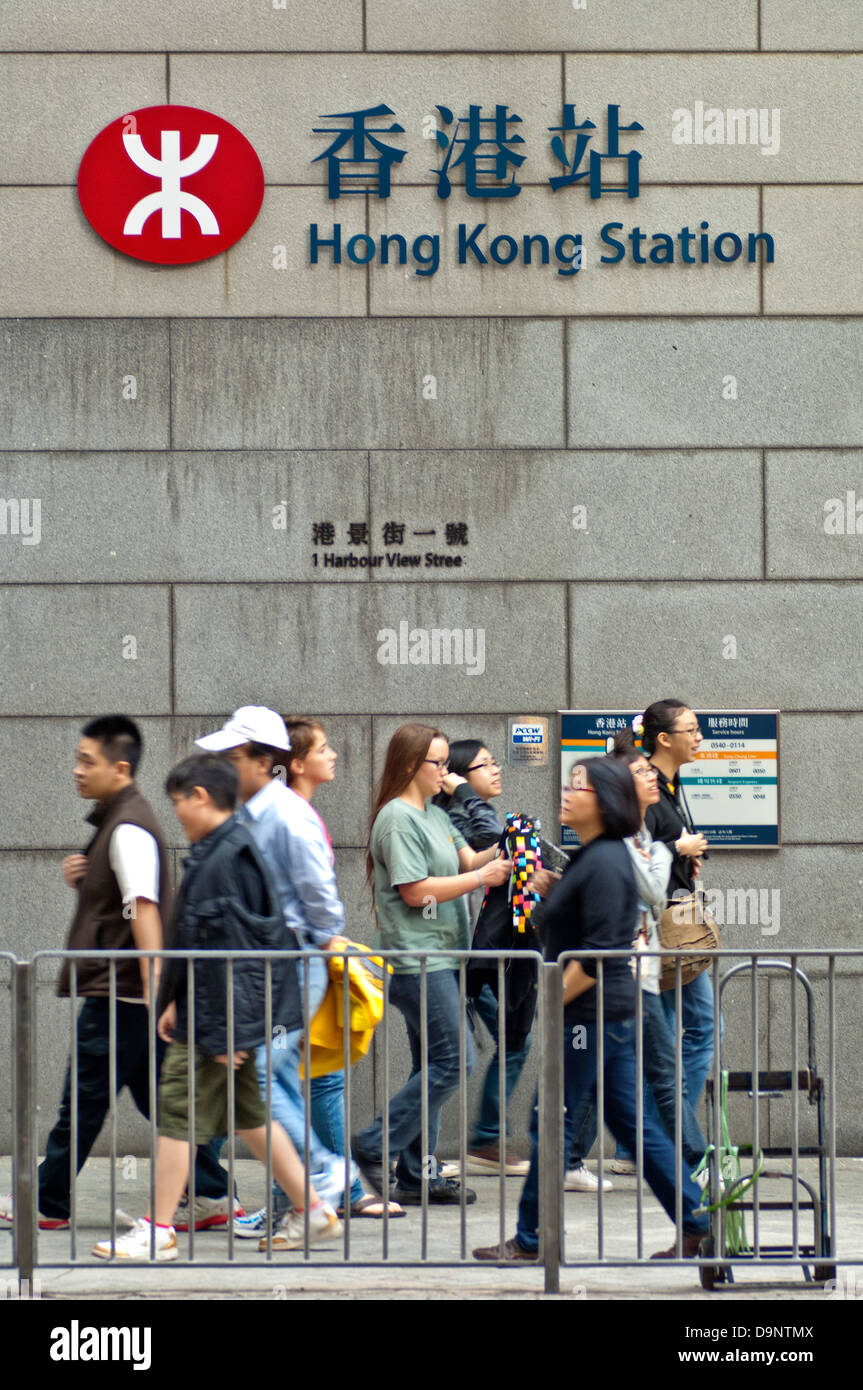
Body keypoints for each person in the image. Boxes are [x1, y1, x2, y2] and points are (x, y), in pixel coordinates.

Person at [92, 754, 341, 1260]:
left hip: (214, 1021)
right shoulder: (223, 851)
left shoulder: (225, 858)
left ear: (201, 797)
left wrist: (226, 1031)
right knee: (250, 1115)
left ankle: (158, 1229)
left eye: (180, 801)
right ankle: (312, 1211)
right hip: (212, 1015)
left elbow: (239, 956)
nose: (177, 812)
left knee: (178, 1114)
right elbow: (205, 943)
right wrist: (176, 1002)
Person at [0, 716, 235, 1234]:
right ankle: (213, 1192)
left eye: (88, 761)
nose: (78, 771)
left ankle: (45, 1201)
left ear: (120, 767)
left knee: (81, 1103)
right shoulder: (120, 823)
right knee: (159, 1103)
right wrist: (84, 879)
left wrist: (156, 993)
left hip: (122, 997)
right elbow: (126, 903)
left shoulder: (129, 825)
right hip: (132, 998)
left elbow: (144, 909)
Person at [473, 756, 710, 1262]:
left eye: (578, 787)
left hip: (591, 1018)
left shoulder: (604, 862)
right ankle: (695, 1223)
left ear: (604, 800)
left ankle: (532, 1240)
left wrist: (554, 998)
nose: (567, 793)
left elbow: (601, 953)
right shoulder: (593, 858)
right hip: (605, 1017)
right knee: (633, 1124)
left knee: (550, 1122)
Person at [194, 707, 399, 1247]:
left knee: (260, 1079)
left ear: (265, 761)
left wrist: (321, 937)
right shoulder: (256, 813)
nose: (220, 764)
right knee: (276, 1081)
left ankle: (329, 1176)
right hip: (273, 969)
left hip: (291, 968)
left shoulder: (285, 815)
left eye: (231, 756)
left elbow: (319, 899)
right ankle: (304, 1208)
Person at [351, 724, 512, 1205]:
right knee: (455, 1059)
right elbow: (416, 890)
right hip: (418, 960)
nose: (446, 772)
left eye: (447, 763)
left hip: (442, 956)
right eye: (437, 764)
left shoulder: (434, 816)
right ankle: (374, 1144)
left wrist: (510, 852)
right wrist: (483, 875)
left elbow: (468, 861)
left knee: (432, 1063)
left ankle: (417, 1174)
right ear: (408, 766)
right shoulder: (397, 818)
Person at [564, 731, 708, 1186]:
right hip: (624, 972)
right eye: (641, 772)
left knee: (603, 1078)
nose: (651, 775)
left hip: (632, 972)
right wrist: (673, 851)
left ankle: (564, 1161)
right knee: (659, 1075)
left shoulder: (641, 831)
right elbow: (647, 889)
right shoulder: (623, 841)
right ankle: (694, 1167)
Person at [434, 740, 530, 1176]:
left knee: (510, 1041)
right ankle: (479, 1141)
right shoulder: (457, 813)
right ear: (456, 776)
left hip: (475, 958)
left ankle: (482, 1140)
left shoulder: (460, 812)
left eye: (494, 762)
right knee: (446, 1060)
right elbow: (492, 841)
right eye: (483, 765)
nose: (495, 770)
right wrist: (466, 796)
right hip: (461, 958)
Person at [639, 699, 718, 1109]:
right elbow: (634, 853)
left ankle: (643, 1142)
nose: (699, 737)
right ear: (665, 739)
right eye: (692, 730)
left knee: (666, 1038)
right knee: (704, 1027)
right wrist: (678, 845)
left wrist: (686, 858)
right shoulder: (648, 788)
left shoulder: (668, 786)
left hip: (667, 927)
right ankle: (669, 1133)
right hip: (661, 931)